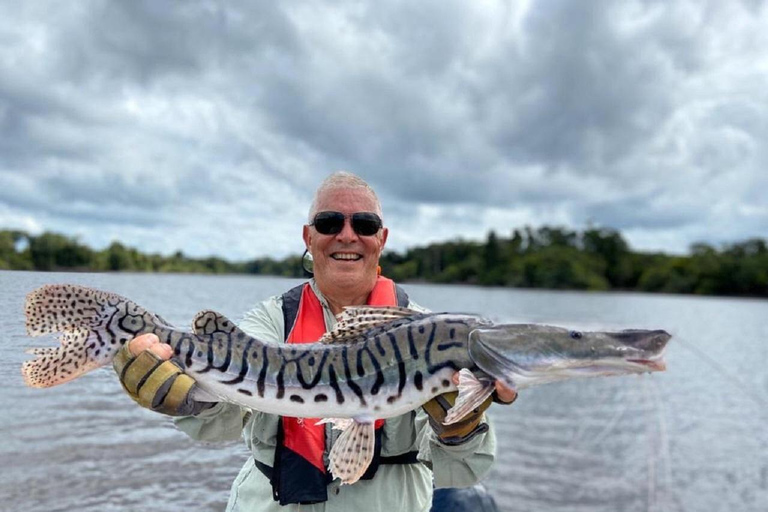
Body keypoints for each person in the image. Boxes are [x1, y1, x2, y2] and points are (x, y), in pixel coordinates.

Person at [114, 172, 517, 512]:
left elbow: (462, 469)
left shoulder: (430, 332)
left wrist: (459, 430)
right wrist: (188, 398)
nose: (347, 235)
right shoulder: (272, 320)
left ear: (382, 239)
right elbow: (223, 418)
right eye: (329, 223)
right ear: (309, 237)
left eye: (364, 224)